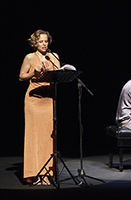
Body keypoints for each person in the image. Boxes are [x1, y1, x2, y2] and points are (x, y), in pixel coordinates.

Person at [19, 29, 61, 185]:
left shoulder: (54, 56)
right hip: (34, 100)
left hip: (49, 98)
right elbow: (21, 76)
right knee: (35, 137)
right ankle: (35, 173)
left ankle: (48, 173)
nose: (44, 44)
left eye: (46, 41)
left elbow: (59, 72)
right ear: (35, 43)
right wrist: (34, 73)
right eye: (41, 41)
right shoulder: (30, 57)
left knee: (48, 137)